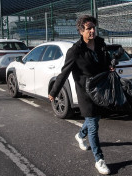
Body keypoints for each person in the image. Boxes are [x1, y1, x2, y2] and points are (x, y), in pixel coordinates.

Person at [48, 15, 114, 175]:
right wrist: (54, 92)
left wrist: (110, 65)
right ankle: (99, 159)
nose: (92, 31)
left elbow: (105, 60)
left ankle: (79, 135)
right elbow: (64, 72)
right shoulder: (75, 51)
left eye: (93, 27)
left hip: (99, 89)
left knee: (95, 118)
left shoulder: (100, 43)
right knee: (93, 124)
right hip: (85, 92)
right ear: (80, 31)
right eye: (88, 28)